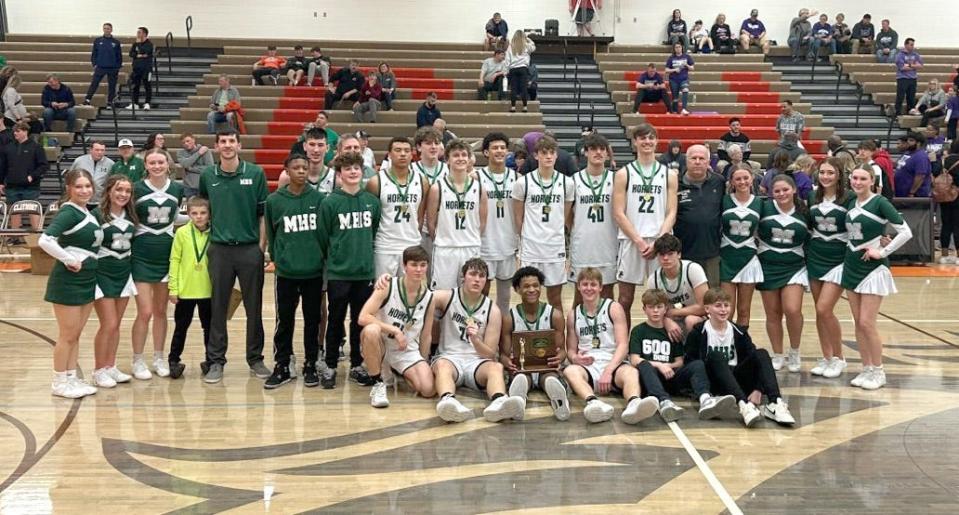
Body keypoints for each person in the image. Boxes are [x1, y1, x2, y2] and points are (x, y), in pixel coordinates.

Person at [199, 130, 270, 383]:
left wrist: (261, 249)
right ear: (216, 146)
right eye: (223, 142)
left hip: (250, 249)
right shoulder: (208, 175)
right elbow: (202, 211)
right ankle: (216, 361)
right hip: (220, 250)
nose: (227, 146)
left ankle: (256, 359)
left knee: (254, 308)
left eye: (232, 141)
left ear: (239, 145)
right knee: (218, 308)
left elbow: (263, 215)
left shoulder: (255, 173)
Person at [425, 258, 523, 422]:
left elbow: (490, 353)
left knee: (496, 367)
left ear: (486, 280)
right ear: (464, 277)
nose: (477, 279)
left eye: (482, 276)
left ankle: (499, 402)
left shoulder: (492, 309)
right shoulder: (447, 297)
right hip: (450, 357)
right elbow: (419, 296)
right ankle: (448, 401)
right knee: (442, 366)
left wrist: (476, 340)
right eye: (473, 274)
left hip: (476, 362)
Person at [843, 167, 913, 390]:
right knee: (858, 323)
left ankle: (879, 371)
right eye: (854, 178)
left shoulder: (880, 202)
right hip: (851, 264)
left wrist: (882, 251)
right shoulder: (851, 202)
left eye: (863, 178)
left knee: (867, 322)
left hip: (872, 268)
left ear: (872, 181)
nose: (858, 182)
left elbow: (906, 232)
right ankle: (866, 369)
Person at [685, 289, 796, 427]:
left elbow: (756, 363)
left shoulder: (739, 332)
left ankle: (775, 403)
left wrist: (758, 389)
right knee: (716, 355)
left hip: (737, 379)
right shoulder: (698, 332)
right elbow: (691, 364)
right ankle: (743, 406)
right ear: (707, 308)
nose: (723, 310)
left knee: (761, 353)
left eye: (726, 305)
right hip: (714, 382)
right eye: (718, 305)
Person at [563, 267, 660, 424]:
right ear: (578, 287)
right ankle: (594, 403)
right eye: (585, 284)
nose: (589, 288)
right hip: (589, 366)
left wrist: (608, 371)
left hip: (613, 361)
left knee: (631, 373)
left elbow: (623, 345)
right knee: (570, 370)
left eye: (593, 284)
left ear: (601, 287)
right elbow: (571, 351)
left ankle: (634, 405)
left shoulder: (613, 308)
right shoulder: (574, 314)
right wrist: (575, 358)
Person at [317, 152, 381, 389]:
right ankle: (331, 365)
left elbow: (373, 232)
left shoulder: (372, 202)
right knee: (335, 320)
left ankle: (357, 364)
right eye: (348, 169)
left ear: (362, 171)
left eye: (357, 168)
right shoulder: (330, 203)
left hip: (364, 272)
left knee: (359, 321)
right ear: (339, 173)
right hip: (338, 273)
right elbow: (323, 237)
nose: (353, 172)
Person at [629, 288, 738, 422]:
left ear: (666, 309)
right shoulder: (639, 331)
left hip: (672, 376)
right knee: (644, 364)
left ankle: (705, 399)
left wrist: (668, 366)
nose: (656, 311)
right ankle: (665, 402)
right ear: (644, 309)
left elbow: (680, 361)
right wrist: (660, 365)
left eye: (659, 307)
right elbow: (634, 359)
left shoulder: (672, 331)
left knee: (697, 364)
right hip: (650, 378)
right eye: (651, 307)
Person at [263, 154, 325, 389]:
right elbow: (271, 232)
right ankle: (282, 364)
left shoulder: (319, 199)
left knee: (313, 320)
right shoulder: (274, 201)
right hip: (287, 273)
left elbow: (324, 235)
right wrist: (279, 260)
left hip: (313, 271)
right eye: (296, 167)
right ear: (286, 170)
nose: (301, 171)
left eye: (304, 167)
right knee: (284, 321)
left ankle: (310, 363)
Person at [40, 169, 102, 398]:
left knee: (76, 334)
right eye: (79, 186)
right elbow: (45, 240)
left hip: (88, 278)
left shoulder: (86, 211)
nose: (84, 190)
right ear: (69, 189)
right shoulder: (68, 212)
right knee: (67, 335)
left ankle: (71, 378)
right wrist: (68, 259)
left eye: (88, 186)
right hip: (68, 281)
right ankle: (59, 382)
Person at [613, 123, 678, 325]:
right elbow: (618, 212)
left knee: (662, 298)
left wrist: (658, 242)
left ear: (657, 141)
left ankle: (663, 341)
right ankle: (623, 344)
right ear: (635, 142)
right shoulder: (624, 173)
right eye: (642, 138)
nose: (647, 142)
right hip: (633, 241)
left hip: (661, 242)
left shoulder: (669, 174)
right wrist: (640, 242)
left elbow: (672, 211)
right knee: (625, 298)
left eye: (651, 138)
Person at [130, 148, 183, 381]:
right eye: (152, 162)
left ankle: (159, 358)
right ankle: (137, 359)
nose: (157, 166)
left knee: (161, 311)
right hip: (141, 253)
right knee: (145, 311)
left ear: (168, 164)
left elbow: (175, 218)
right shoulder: (137, 188)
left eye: (161, 162)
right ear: (146, 165)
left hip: (166, 253)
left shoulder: (177, 189)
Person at [360, 246, 436, 408]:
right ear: (404, 266)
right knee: (370, 330)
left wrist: (422, 361)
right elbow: (363, 317)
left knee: (428, 390)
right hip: (382, 345)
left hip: (406, 351)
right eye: (414, 265)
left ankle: (399, 371)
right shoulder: (388, 285)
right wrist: (393, 330)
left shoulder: (429, 297)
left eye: (423, 265)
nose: (418, 269)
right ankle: (377, 383)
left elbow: (426, 335)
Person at [511, 136, 574, 312]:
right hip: (531, 246)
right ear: (536, 155)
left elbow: (565, 214)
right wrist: (524, 238)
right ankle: (529, 333)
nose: (548, 156)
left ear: (556, 155)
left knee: (555, 297)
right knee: (528, 295)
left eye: (551, 152)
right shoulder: (522, 182)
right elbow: (518, 217)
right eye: (544, 152)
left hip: (555, 246)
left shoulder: (567, 183)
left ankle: (558, 337)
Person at [500, 266, 570, 420]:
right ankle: (518, 401)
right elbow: (503, 354)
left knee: (550, 378)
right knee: (521, 378)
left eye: (535, 285)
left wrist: (559, 358)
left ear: (541, 287)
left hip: (547, 367)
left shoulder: (555, 315)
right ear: (517, 289)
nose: (532, 290)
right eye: (526, 286)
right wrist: (507, 362)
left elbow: (562, 350)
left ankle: (559, 399)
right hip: (522, 367)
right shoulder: (509, 318)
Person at [757, 174, 810, 373]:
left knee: (792, 309)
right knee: (773, 313)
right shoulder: (764, 208)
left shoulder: (805, 211)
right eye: (777, 191)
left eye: (785, 190)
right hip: (767, 266)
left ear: (794, 189)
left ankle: (794, 351)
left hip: (794, 266)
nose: (781, 194)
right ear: (771, 193)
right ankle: (777, 354)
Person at [806, 158, 851, 379]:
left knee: (825, 309)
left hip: (839, 259)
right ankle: (827, 357)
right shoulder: (812, 197)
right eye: (822, 172)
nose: (825, 176)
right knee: (819, 311)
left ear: (839, 175)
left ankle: (840, 357)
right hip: (816, 256)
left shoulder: (849, 198)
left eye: (830, 173)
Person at [91, 175, 136, 388]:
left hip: (123, 272)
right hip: (103, 272)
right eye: (119, 190)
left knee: (116, 325)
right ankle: (98, 370)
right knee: (107, 324)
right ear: (109, 190)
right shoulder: (97, 215)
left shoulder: (132, 215)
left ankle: (110, 365)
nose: (123, 194)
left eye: (127, 191)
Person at [428, 139, 487, 289]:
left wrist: (471, 237)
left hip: (470, 247)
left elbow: (483, 222)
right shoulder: (437, 188)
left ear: (469, 159)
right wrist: (443, 239)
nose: (460, 158)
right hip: (445, 249)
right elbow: (430, 223)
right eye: (456, 155)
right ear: (447, 160)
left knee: (469, 293)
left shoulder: (479, 188)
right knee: (442, 294)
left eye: (464, 155)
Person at [167, 196, 212, 380]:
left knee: (209, 328)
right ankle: (173, 360)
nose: (199, 217)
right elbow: (175, 260)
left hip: (208, 291)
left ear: (209, 214)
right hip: (185, 291)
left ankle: (211, 360)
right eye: (194, 213)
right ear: (188, 213)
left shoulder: (216, 233)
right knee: (181, 327)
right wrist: (173, 287)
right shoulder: (182, 233)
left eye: (203, 213)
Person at [368, 137, 427, 276]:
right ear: (389, 154)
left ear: (412, 154)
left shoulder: (421, 181)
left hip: (411, 243)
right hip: (385, 246)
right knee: (383, 292)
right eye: (398, 150)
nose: (402, 154)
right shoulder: (376, 181)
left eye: (407, 151)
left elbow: (420, 213)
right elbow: (372, 216)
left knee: (408, 293)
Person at [569, 133, 618, 303]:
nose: (598, 152)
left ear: (607, 153)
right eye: (593, 149)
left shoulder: (616, 179)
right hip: (583, 246)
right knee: (579, 295)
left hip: (608, 245)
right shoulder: (574, 180)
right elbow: (568, 215)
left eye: (602, 149)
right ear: (586, 152)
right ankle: (576, 330)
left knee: (607, 296)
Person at [673, 144, 725, 287]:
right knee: (685, 298)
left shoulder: (719, 182)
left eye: (701, 158)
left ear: (708, 162)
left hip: (712, 253)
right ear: (686, 161)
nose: (697, 161)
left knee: (712, 297)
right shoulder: (674, 183)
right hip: (683, 253)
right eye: (693, 158)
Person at [477, 132, 518, 313]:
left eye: (502, 148)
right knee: (482, 291)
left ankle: (501, 333)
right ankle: (482, 327)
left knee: (505, 295)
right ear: (486, 152)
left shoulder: (518, 178)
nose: (499, 151)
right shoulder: (476, 177)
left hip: (508, 243)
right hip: (485, 242)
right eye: (495, 148)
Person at [720, 165, 764, 329]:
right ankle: (726, 347)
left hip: (748, 258)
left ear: (752, 178)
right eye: (738, 179)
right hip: (726, 257)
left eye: (745, 178)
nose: (742, 182)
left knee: (744, 310)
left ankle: (741, 347)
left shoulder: (760, 203)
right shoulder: (724, 201)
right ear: (731, 181)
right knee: (726, 310)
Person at [645, 233, 709, 341]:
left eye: (670, 254)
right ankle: (673, 356)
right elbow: (653, 310)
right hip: (671, 320)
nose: (666, 258)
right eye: (662, 254)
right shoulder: (654, 280)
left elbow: (704, 307)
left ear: (679, 254)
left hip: (697, 318)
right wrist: (666, 321)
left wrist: (672, 312)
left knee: (691, 321)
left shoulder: (693, 269)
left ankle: (695, 355)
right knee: (653, 325)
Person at [0, 122, 47, 233]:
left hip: (30, 186)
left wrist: (32, 176)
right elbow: (3, 166)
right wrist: (1, 182)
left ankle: (37, 236)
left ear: (25, 131)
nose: (15, 133)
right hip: (12, 185)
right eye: (14, 131)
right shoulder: (8, 148)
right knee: (14, 211)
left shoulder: (36, 147)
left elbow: (44, 165)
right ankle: (15, 236)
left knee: (33, 210)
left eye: (18, 131)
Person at [83, 22, 122, 106]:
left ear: (111, 30)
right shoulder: (98, 41)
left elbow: (119, 55)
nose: (106, 30)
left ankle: (110, 102)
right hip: (100, 67)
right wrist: (94, 64)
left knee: (112, 86)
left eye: (108, 28)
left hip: (112, 68)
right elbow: (94, 54)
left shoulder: (116, 42)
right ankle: (87, 99)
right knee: (94, 83)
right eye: (105, 28)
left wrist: (117, 66)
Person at [936, 140, 959, 264]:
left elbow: (934, 173)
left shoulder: (944, 160)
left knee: (946, 224)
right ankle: (958, 256)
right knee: (957, 225)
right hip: (958, 196)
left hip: (944, 196)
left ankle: (944, 255)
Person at [71, 141, 114, 205]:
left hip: (100, 202)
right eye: (97, 150)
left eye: (102, 150)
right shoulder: (79, 161)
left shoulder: (110, 164)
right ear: (90, 150)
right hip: (80, 200)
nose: (100, 152)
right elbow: (70, 179)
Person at [895, 130, 932, 197]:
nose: (908, 142)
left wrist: (912, 192)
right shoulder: (907, 153)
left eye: (911, 141)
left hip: (915, 195)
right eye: (908, 140)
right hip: (901, 192)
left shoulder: (921, 156)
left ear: (918, 143)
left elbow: (920, 176)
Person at [506, 30, 536, 113]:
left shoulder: (510, 46)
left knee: (514, 88)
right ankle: (525, 106)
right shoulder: (526, 46)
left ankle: (513, 107)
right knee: (523, 88)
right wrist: (528, 39)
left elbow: (507, 60)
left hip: (513, 69)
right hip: (523, 69)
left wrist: (506, 70)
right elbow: (534, 47)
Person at [176, 133, 214, 199]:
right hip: (189, 186)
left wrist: (191, 169)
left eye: (188, 141)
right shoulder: (180, 153)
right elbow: (185, 164)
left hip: (203, 185)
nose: (186, 144)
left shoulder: (205, 151)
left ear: (193, 140)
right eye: (183, 143)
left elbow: (209, 168)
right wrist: (199, 153)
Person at [126, 27, 154, 110]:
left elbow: (146, 52)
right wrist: (139, 55)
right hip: (136, 68)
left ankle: (147, 103)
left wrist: (139, 52)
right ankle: (135, 103)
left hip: (146, 69)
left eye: (139, 32)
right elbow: (131, 54)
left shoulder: (149, 44)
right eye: (137, 32)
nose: (137, 34)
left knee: (147, 85)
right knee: (135, 86)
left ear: (144, 34)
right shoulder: (135, 44)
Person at [895, 38, 923, 116]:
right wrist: (914, 66)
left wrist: (910, 65)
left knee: (911, 97)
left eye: (913, 45)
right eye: (911, 44)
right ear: (906, 45)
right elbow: (902, 67)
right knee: (900, 96)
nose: (913, 46)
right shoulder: (900, 55)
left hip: (913, 78)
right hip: (902, 78)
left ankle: (910, 111)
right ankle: (897, 113)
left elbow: (920, 65)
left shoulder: (915, 54)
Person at [665, 42, 694, 116]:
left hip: (684, 78)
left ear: (682, 48)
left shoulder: (687, 57)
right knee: (675, 97)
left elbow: (692, 68)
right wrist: (674, 70)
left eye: (679, 47)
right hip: (673, 79)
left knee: (685, 90)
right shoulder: (671, 58)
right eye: (676, 47)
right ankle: (674, 111)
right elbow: (666, 70)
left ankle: (684, 109)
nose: (678, 49)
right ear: (674, 49)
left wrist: (686, 65)